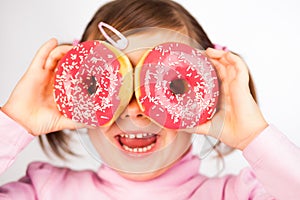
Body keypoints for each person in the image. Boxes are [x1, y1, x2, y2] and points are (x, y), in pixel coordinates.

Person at [0, 0, 299, 199]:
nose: (135, 110)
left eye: (174, 84)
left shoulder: (240, 195)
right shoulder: (44, 192)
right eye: (104, 83)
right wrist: (15, 120)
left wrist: (252, 136)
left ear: (208, 94)